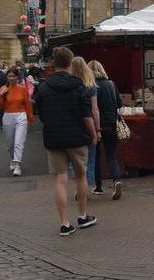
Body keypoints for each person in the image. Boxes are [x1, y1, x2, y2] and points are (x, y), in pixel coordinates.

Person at [34, 47, 98, 236]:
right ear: (70, 63)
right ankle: (83, 215)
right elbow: (87, 116)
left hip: (54, 137)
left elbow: (42, 114)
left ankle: (64, 223)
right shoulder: (78, 85)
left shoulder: (44, 86)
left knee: (60, 180)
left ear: (54, 63)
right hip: (77, 136)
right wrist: (93, 134)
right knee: (80, 176)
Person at [89, 60, 123, 200]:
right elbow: (119, 103)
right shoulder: (111, 84)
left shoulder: (91, 86)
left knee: (96, 157)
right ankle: (116, 180)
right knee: (111, 155)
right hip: (111, 123)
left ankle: (98, 186)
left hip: (97, 125)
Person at [69, 57, 102, 193]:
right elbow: (95, 109)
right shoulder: (91, 85)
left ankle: (78, 186)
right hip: (89, 125)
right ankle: (85, 187)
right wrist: (98, 129)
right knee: (90, 159)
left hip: (73, 125)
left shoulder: (69, 85)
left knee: (74, 159)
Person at [0, 67, 33, 176]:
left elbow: (27, 104)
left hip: (20, 115)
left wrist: (30, 118)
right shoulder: (3, 88)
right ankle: (13, 159)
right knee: (10, 143)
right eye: (9, 76)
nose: (11, 78)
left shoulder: (22, 88)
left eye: (13, 76)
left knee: (19, 142)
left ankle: (18, 164)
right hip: (8, 115)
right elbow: (1, 107)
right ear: (7, 77)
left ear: (17, 77)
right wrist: (2, 96)